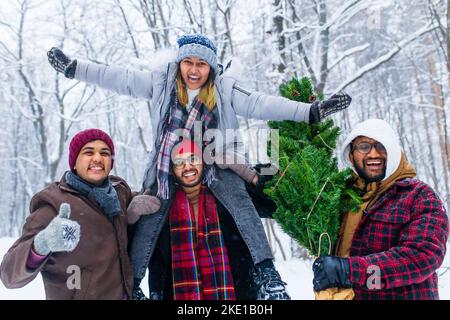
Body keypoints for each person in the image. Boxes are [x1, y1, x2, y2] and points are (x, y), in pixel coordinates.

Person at [47, 34, 351, 299]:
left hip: (215, 164)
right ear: (179, 63)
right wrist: (75, 68)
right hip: (169, 167)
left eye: (201, 64)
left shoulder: (224, 90)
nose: (194, 70)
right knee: (151, 218)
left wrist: (310, 112)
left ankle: (266, 272)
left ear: (212, 68)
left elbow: (261, 103)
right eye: (188, 62)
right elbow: (119, 78)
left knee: (240, 202)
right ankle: (135, 284)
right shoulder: (160, 81)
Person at [0, 128, 158, 299]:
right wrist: (42, 244)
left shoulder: (119, 192)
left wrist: (131, 215)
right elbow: (9, 276)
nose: (97, 158)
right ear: (74, 162)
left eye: (104, 153)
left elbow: (115, 237)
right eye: (88, 152)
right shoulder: (53, 203)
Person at [131, 139, 287, 300]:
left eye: (193, 159)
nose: (187, 167)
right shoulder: (160, 208)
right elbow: (127, 246)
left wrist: (251, 175)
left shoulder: (228, 196)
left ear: (204, 163)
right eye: (179, 162)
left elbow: (279, 199)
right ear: (172, 169)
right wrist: (130, 217)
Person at [312, 119, 449, 300]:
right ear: (351, 155)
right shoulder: (339, 196)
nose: (373, 154)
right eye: (363, 146)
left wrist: (349, 271)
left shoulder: (419, 196)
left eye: (381, 146)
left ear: (393, 151)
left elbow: (421, 258)